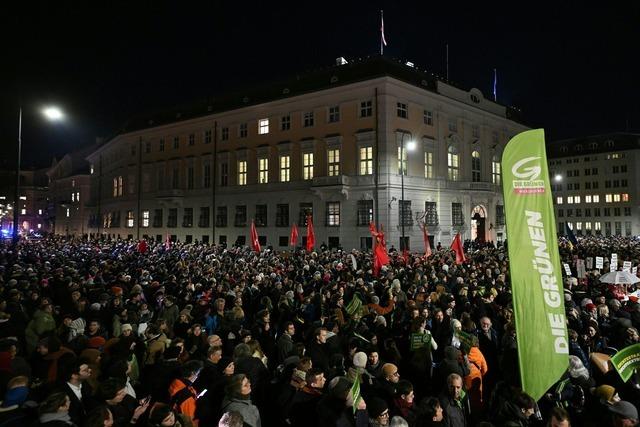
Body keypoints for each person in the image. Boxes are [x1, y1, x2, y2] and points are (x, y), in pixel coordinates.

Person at [168, 360, 202, 425]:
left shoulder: (175, 382)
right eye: (198, 374)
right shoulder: (188, 397)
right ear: (193, 373)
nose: (197, 377)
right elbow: (191, 422)